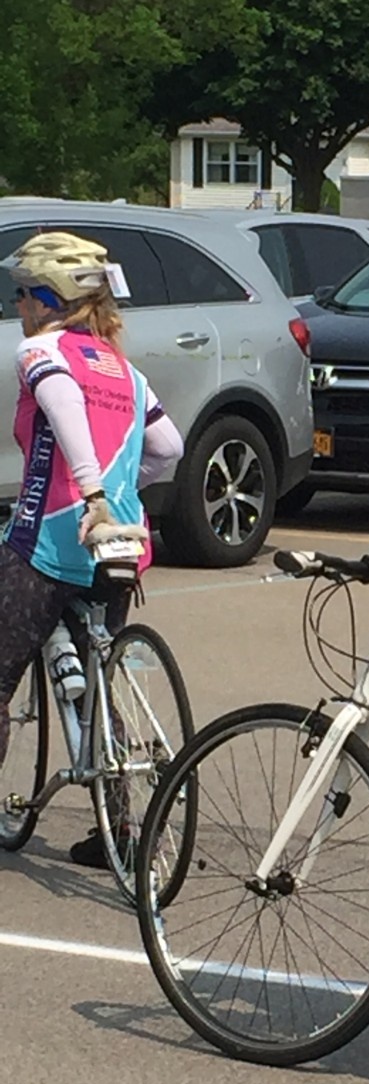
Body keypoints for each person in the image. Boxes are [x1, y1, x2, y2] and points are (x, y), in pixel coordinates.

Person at [0, 231, 183, 867]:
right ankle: (123, 832)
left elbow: (62, 405)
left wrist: (91, 491)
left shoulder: (41, 349)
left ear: (48, 300)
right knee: (101, 682)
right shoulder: (124, 370)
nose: (18, 305)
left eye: (24, 294)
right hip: (121, 545)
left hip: (52, 539)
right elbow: (169, 449)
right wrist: (121, 492)